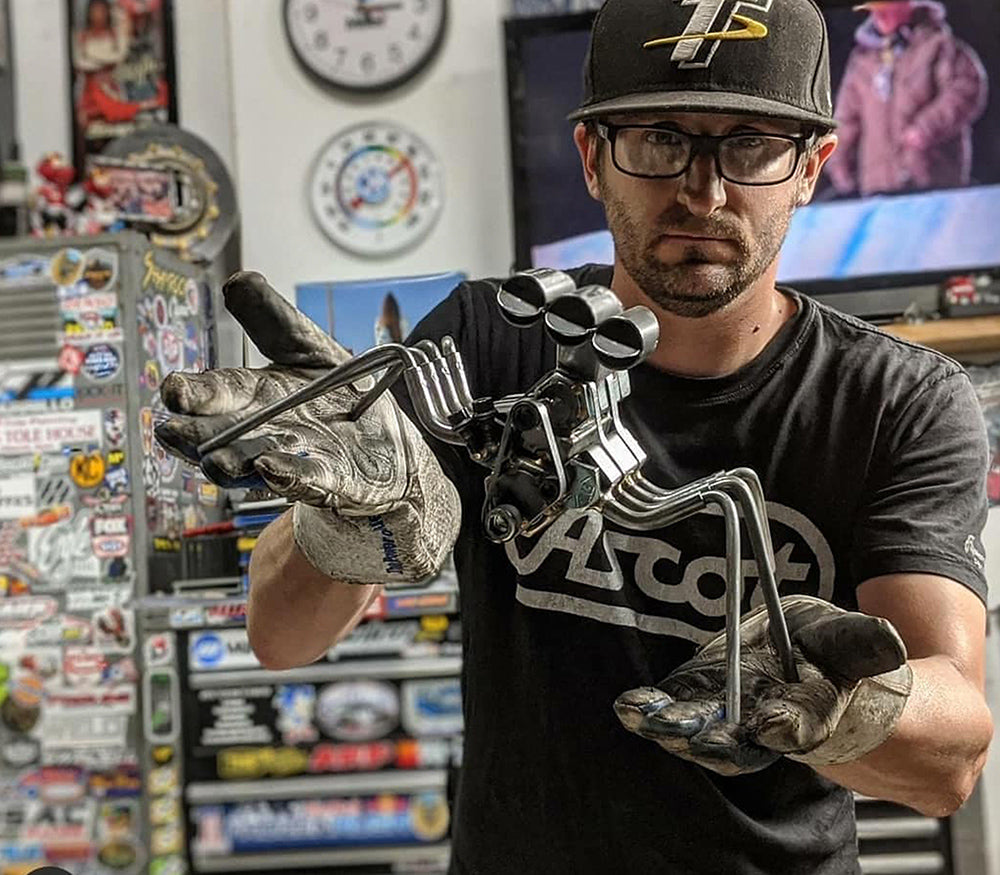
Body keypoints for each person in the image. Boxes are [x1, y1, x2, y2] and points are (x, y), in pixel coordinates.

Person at [155, 0, 993, 872]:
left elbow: (953, 761)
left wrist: (850, 701)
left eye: (748, 145)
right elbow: (280, 636)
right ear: (593, 158)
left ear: (811, 166)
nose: (702, 191)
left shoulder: (900, 401)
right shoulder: (492, 338)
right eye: (658, 140)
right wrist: (347, 528)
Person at [825, 0, 988, 196]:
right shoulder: (863, 60)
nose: (879, 16)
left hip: (932, 178)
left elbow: (966, 89)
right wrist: (839, 165)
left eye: (886, 9)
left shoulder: (938, 46)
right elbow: (846, 118)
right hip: (878, 186)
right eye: (874, 11)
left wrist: (926, 128)